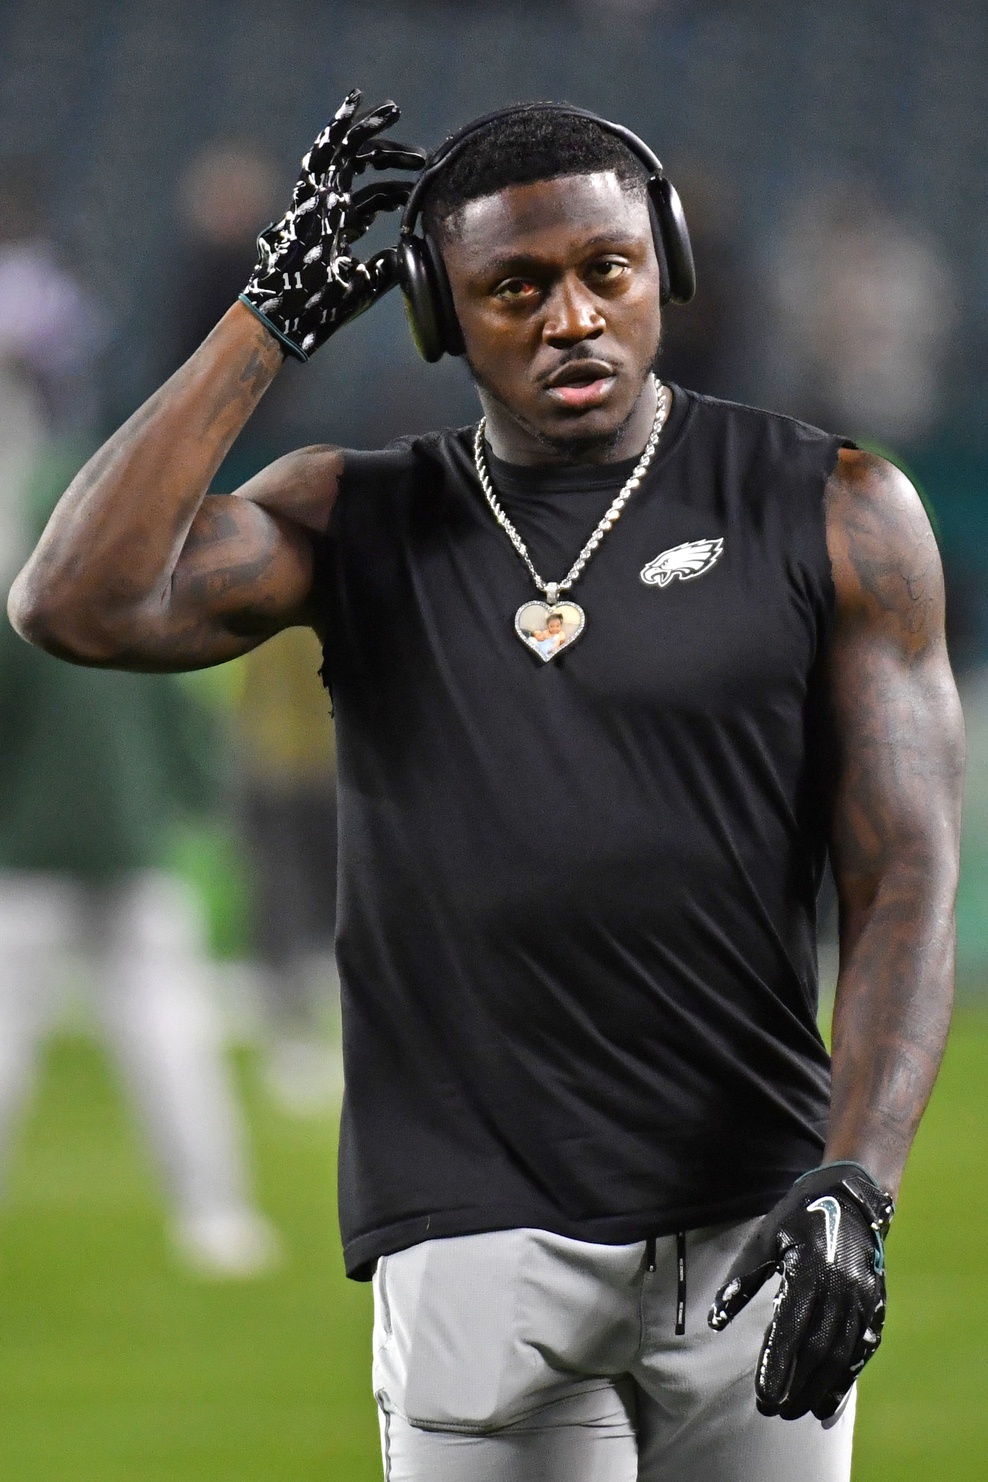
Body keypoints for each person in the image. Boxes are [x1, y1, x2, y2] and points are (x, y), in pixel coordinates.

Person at [7, 93, 964, 1481]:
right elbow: (74, 601)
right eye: (515, 287)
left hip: (757, 1220)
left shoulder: (837, 507)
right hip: (477, 1234)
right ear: (436, 310)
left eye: (606, 271)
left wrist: (858, 1183)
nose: (571, 316)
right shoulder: (352, 514)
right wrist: (260, 319)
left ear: (667, 270)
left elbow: (909, 880)